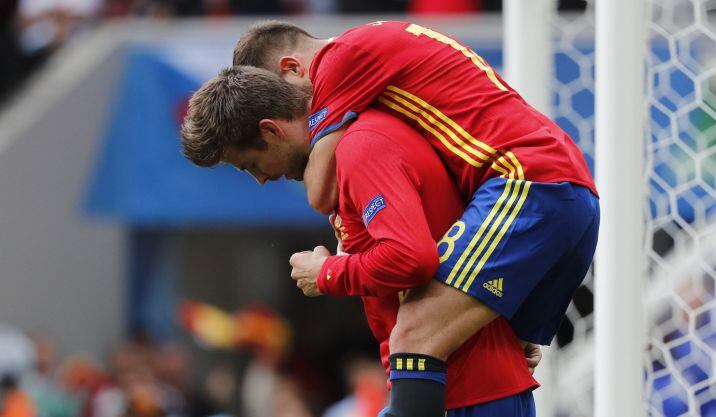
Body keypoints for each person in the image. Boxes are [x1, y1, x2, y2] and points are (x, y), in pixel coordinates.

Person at [230, 20, 599, 417]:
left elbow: (321, 192)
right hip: (561, 189)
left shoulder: (340, 61)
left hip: (527, 183)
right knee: (490, 347)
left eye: (280, 99)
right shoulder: (375, 58)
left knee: (415, 337)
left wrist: (328, 271)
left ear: (292, 68)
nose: (296, 109)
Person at [180, 66, 540, 416]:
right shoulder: (348, 153)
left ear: (271, 131)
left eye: (251, 164)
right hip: (448, 383)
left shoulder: (362, 148)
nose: (260, 179)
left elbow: (411, 257)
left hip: (468, 390)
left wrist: (327, 274)